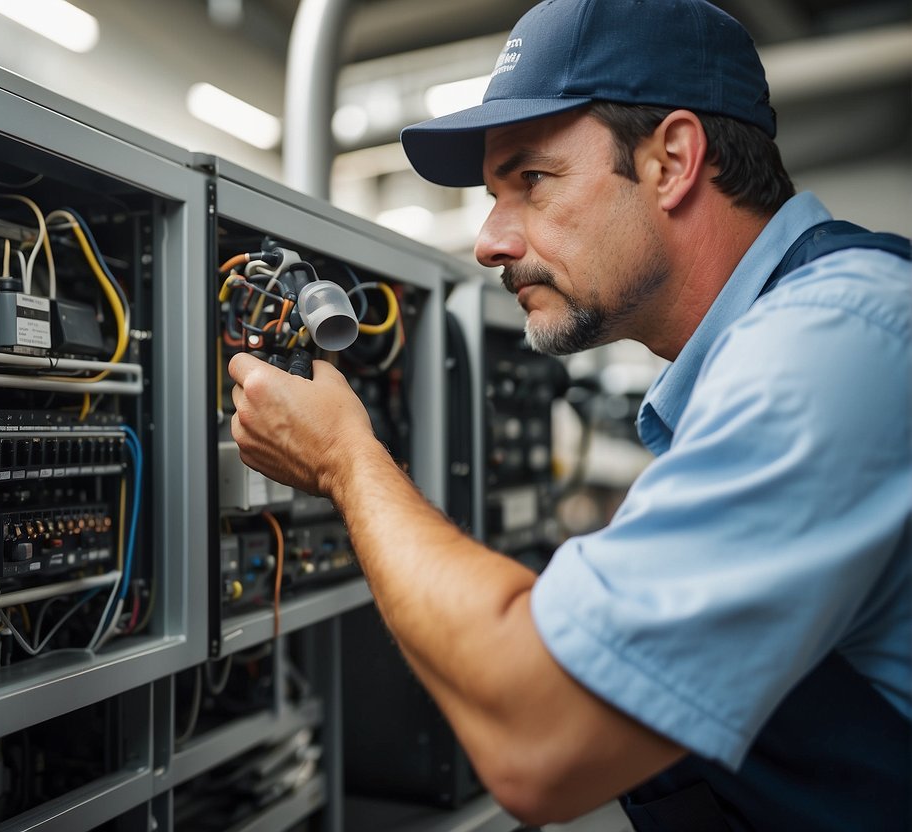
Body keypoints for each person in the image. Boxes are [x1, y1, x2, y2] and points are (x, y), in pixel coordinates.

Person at [228, 0, 911, 828]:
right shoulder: (794, 340)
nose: (487, 240)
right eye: (491, 193)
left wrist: (347, 461)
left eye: (530, 180)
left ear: (671, 161)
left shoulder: (834, 341)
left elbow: (537, 735)